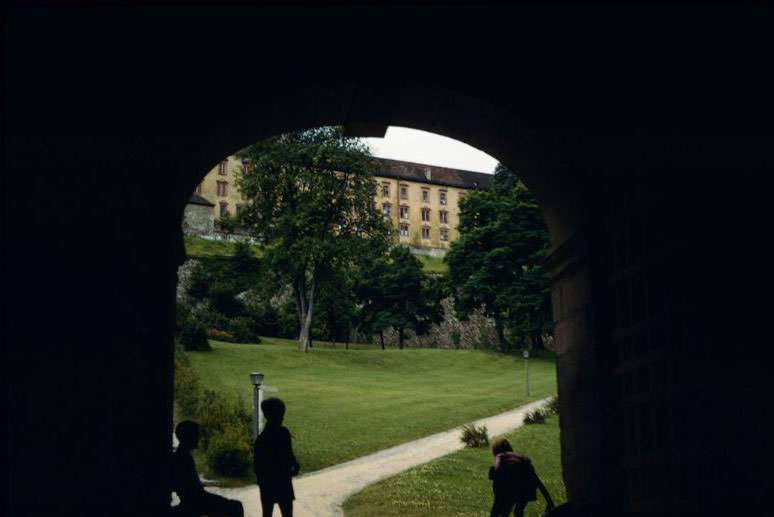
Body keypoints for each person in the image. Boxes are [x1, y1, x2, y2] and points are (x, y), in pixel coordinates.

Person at [171, 420, 244, 517]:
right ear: (188, 436)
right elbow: (191, 489)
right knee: (236, 507)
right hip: (196, 501)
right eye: (196, 434)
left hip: (195, 500)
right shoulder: (183, 458)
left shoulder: (182, 455)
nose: (198, 438)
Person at [254, 398, 300, 517]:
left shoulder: (261, 439)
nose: (282, 417)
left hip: (267, 483)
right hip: (283, 480)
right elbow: (290, 457)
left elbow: (257, 466)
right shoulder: (283, 433)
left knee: (267, 513)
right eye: (281, 414)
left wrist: (262, 481)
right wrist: (294, 467)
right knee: (287, 513)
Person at [488, 438, 554, 517]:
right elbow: (538, 482)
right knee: (518, 511)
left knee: (501, 512)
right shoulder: (522, 461)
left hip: (511, 489)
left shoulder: (501, 460)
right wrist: (549, 501)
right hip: (527, 489)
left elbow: (498, 496)